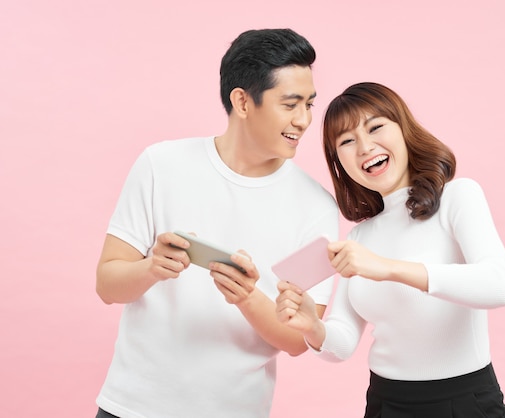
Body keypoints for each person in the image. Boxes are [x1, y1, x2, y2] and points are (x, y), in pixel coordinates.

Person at [94, 28, 339, 418]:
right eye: (290, 104)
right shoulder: (161, 165)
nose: (305, 120)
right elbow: (107, 284)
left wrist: (247, 297)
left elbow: (297, 339)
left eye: (309, 104)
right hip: (132, 407)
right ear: (242, 101)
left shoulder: (318, 208)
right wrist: (151, 268)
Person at [276, 82, 505, 417]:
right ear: (338, 161)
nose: (364, 147)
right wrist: (312, 327)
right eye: (347, 141)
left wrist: (388, 268)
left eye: (375, 128)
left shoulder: (457, 198)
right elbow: (342, 342)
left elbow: (499, 286)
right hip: (385, 403)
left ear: (404, 129)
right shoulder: (359, 238)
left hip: (463, 401)